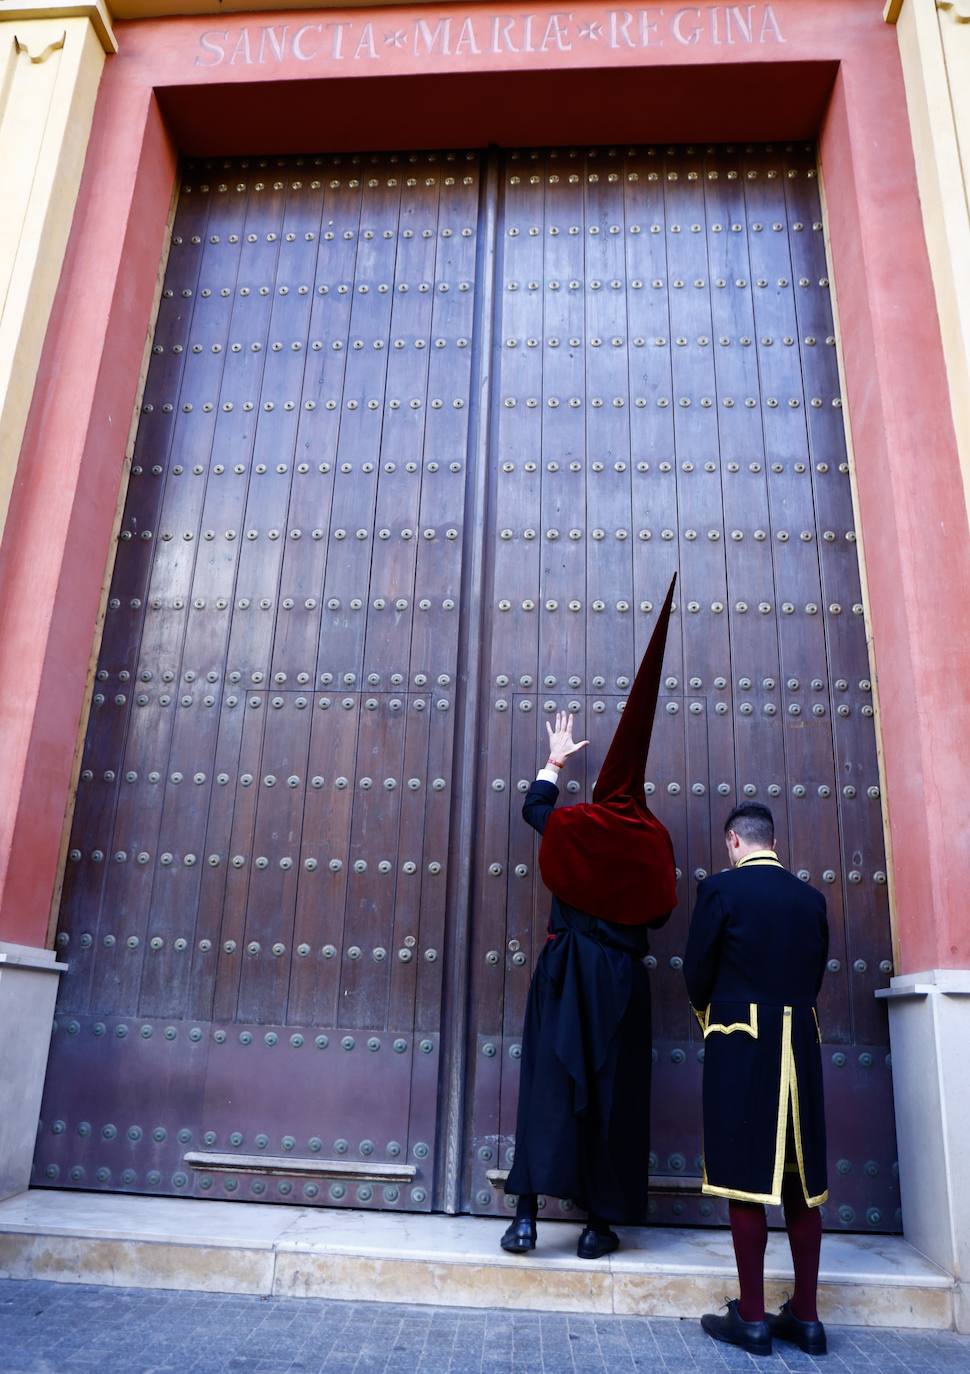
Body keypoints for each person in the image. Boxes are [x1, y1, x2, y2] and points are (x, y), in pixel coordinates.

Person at [502, 578, 678, 1260]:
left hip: (563, 972)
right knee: (612, 1095)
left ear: (605, 786)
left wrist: (552, 760)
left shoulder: (576, 823)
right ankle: (599, 1225)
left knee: (547, 1088)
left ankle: (525, 1219)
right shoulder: (653, 840)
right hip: (619, 984)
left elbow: (534, 812)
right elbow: (660, 914)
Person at [684, 802, 829, 1358]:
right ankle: (808, 1320)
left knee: (742, 1177)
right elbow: (813, 977)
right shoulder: (810, 899)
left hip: (742, 1043)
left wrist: (715, 1022)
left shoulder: (720, 892)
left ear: (733, 841)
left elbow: (697, 972)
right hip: (801, 1045)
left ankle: (751, 1318)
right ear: (771, 840)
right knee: (800, 1179)